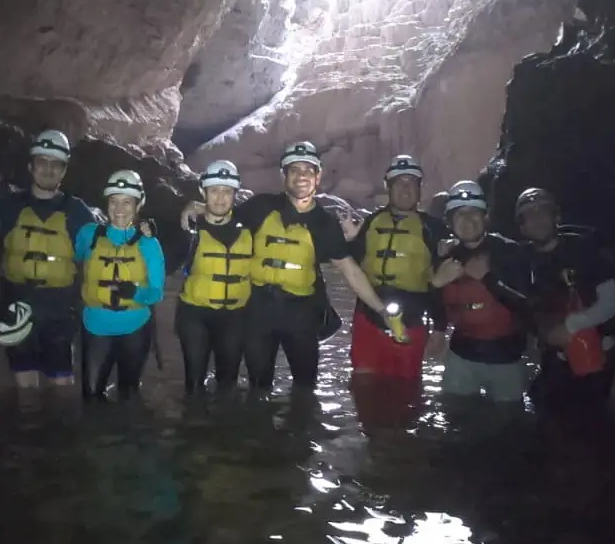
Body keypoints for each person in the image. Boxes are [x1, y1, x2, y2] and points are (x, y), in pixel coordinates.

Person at [185, 140, 398, 393]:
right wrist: (195, 206)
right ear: (284, 175)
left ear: (317, 177)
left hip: (302, 313)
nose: (301, 177)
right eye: (294, 170)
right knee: (258, 385)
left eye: (308, 171)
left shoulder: (325, 223)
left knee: (305, 386)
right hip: (259, 311)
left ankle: (301, 426)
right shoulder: (260, 207)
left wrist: (382, 309)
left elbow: (349, 269)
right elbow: (220, 215)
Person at [0, 130, 98, 390]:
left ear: (64, 170)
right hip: (17, 309)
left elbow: (104, 251)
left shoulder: (78, 212)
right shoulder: (7, 207)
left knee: (62, 390)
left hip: (59, 312)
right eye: (42, 162)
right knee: (25, 390)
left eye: (55, 164)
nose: (48, 169)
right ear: (30, 166)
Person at [515, 186, 615, 414]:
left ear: (556, 216)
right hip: (555, 357)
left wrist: (571, 326)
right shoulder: (524, 259)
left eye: (543, 212)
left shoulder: (583, 249)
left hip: (594, 355)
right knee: (540, 412)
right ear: (522, 226)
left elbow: (612, 301)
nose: (537, 220)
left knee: (589, 423)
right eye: (530, 215)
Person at [343, 154, 449, 380]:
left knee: (406, 391)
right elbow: (352, 269)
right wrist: (350, 242)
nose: (405, 188)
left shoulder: (434, 229)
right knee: (363, 384)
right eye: (399, 183)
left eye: (411, 183)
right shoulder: (369, 223)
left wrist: (440, 328)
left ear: (420, 189)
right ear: (388, 187)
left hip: (411, 320)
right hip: (368, 319)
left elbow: (443, 283)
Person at [431, 180, 535, 403]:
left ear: (486, 217)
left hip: (506, 358)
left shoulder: (509, 251)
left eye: (474, 213)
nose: (467, 220)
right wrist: (435, 284)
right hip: (461, 356)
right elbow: (435, 304)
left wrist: (488, 279)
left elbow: (529, 308)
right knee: (455, 418)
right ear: (449, 222)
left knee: (508, 423)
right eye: (460, 214)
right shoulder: (445, 255)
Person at [75, 170, 166, 399]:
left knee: (129, 396)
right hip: (95, 326)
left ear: (138, 205)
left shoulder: (149, 243)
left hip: (134, 328)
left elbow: (156, 292)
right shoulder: (89, 234)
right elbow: (74, 264)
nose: (119, 210)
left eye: (127, 202)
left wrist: (136, 292)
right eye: (114, 202)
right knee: (91, 397)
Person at [175, 159, 252, 393]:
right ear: (203, 192)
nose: (220, 198)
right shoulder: (188, 228)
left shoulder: (251, 225)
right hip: (194, 315)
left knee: (227, 384)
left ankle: (223, 427)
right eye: (214, 191)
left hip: (235, 317)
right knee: (194, 385)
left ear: (235, 194)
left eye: (227, 191)